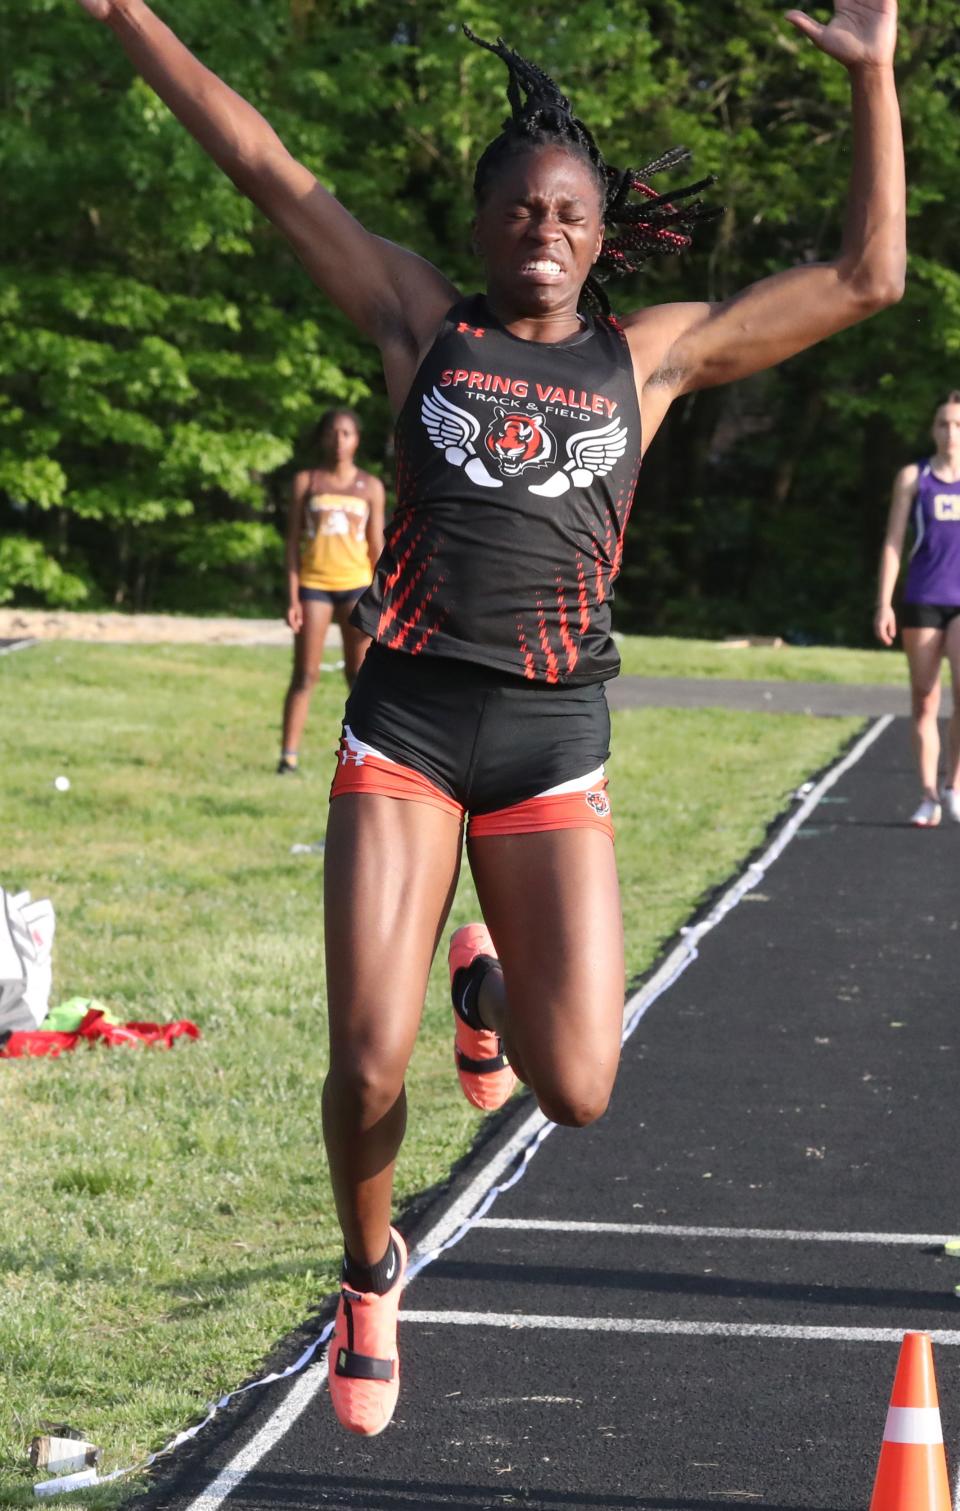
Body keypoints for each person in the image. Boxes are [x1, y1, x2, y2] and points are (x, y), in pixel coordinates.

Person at [75, 0, 904, 1437]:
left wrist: (877, 79)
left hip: (549, 740)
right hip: (405, 723)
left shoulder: (648, 358)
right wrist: (122, 14)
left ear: (600, 235)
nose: (542, 224)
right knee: (362, 1059)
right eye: (518, 205)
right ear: (480, 224)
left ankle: (489, 995)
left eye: (568, 211)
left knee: (577, 1082)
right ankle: (367, 1267)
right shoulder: (417, 316)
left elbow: (867, 275)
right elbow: (267, 166)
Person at [278, 409, 385, 774]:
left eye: (347, 434)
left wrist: (382, 595)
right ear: (322, 437)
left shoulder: (370, 487)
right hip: (314, 587)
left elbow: (376, 547)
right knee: (305, 674)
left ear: (357, 440)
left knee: (360, 678)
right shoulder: (307, 481)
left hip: (356, 587)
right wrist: (291, 596)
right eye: (333, 433)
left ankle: (362, 756)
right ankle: (287, 756)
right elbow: (292, 543)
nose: (339, 441)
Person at [875, 393, 960, 826]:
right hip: (924, 598)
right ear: (933, 430)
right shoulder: (914, 477)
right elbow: (894, 542)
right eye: (944, 424)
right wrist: (884, 603)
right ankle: (929, 795)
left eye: (958, 425)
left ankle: (954, 784)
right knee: (925, 700)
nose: (950, 433)